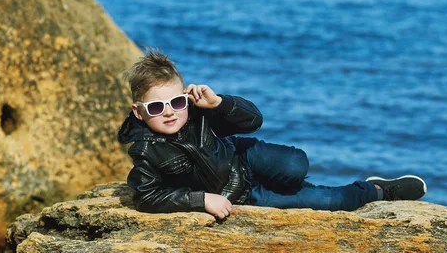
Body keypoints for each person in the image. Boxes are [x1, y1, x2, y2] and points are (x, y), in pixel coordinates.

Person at [117, 48, 427, 219]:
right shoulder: (144, 150)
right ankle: (377, 191)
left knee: (296, 166)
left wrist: (219, 104)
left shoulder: (199, 114)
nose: (170, 111)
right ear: (139, 111)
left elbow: (254, 120)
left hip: (245, 158)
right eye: (157, 107)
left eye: (176, 101)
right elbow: (148, 197)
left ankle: (285, 179)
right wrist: (201, 200)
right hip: (245, 194)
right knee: (325, 201)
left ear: (186, 96)